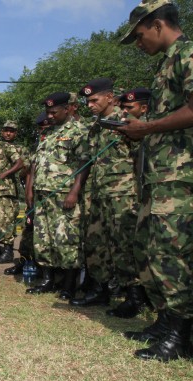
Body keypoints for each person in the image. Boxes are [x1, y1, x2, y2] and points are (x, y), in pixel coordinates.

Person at [118, 0, 193, 362]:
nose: (138, 43)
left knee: (172, 253)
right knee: (151, 249)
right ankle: (166, 321)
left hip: (181, 177)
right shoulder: (165, 64)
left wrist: (147, 127)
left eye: (139, 35)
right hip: (161, 175)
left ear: (159, 24)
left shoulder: (187, 53)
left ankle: (179, 333)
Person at [69, 78, 140, 305]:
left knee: (123, 244)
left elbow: (140, 155)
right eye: (87, 101)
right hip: (98, 193)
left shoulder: (127, 120)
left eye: (94, 100)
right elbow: (87, 161)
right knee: (95, 242)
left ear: (110, 97)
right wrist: (76, 189)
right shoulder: (95, 126)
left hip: (124, 193)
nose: (89, 105)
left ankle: (133, 297)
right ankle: (101, 290)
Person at [25, 92, 92, 297]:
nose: (50, 115)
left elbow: (85, 163)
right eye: (48, 112)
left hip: (63, 195)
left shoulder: (79, 130)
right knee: (43, 238)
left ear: (67, 109)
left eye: (54, 112)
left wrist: (74, 191)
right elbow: (37, 163)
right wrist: (31, 188)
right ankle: (48, 279)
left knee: (66, 238)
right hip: (43, 193)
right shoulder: (48, 134)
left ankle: (69, 285)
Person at [106, 87, 152, 318]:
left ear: (144, 108)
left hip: (133, 193)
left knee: (134, 246)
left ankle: (143, 297)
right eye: (122, 107)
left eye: (129, 108)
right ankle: (134, 297)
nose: (125, 112)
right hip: (122, 193)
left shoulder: (150, 129)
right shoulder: (125, 129)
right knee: (121, 245)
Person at [5, 112, 50, 276]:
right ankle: (23, 263)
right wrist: (29, 191)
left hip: (50, 195)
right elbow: (29, 170)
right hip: (35, 194)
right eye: (40, 128)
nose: (42, 131)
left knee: (44, 234)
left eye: (45, 127)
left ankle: (44, 269)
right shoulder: (38, 146)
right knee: (27, 231)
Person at [0, 120, 24, 264]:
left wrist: (5, 173)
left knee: (4, 221)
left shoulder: (5, 147)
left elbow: (20, 162)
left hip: (4, 190)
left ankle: (8, 251)